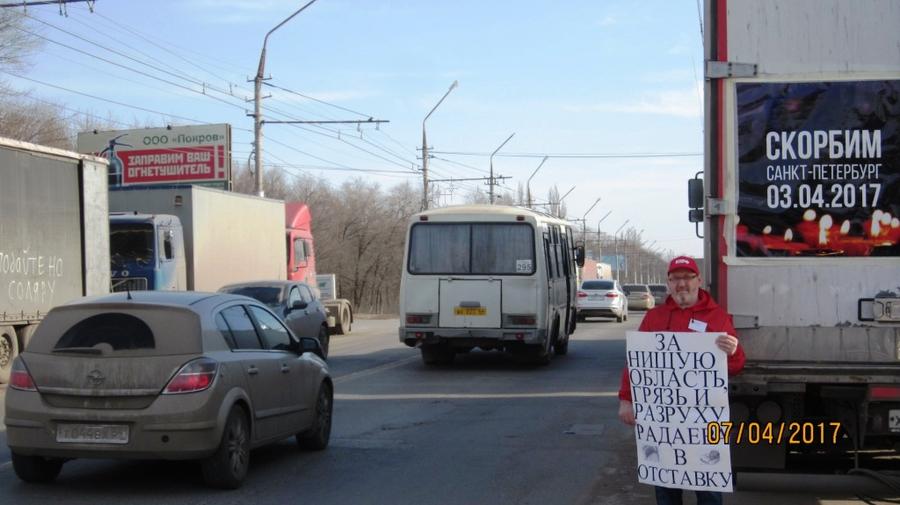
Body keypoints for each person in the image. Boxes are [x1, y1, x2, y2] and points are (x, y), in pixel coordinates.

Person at [618, 256, 746, 505]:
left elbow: (736, 366)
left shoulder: (717, 318)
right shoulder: (655, 317)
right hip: (663, 424)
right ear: (668, 283)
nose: (682, 284)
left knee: (708, 490)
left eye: (687, 278)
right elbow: (636, 364)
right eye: (675, 278)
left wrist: (733, 351)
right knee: (666, 489)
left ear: (698, 281)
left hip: (702, 424)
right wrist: (626, 399)